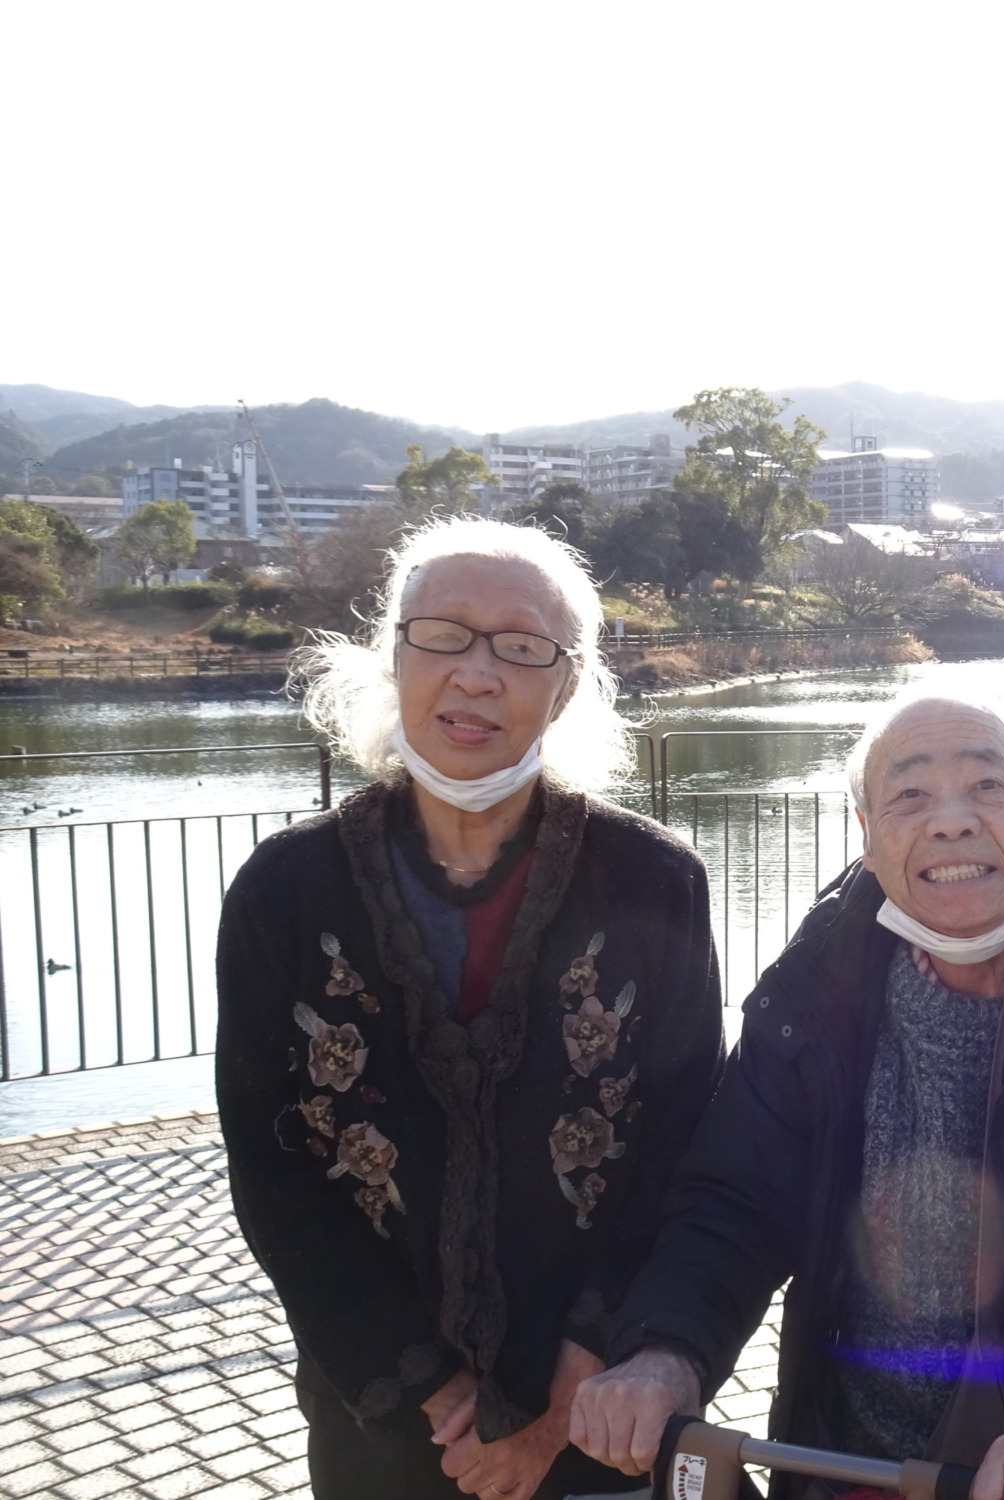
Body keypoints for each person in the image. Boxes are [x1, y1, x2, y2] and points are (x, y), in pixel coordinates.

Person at [570, 693, 1004, 1500]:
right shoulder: (820, 974)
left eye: (990, 785)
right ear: (866, 830)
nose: (951, 821)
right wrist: (669, 1348)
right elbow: (737, 1195)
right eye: (910, 795)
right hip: (855, 1464)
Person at [216, 516, 723, 1500]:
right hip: (382, 1415)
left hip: (602, 1410)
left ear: (566, 682)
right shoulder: (286, 891)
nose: (478, 674)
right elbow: (274, 1166)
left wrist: (571, 1388)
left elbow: (682, 1145)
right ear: (391, 656)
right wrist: (430, 1391)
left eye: (522, 647)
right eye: (442, 634)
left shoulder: (655, 883)